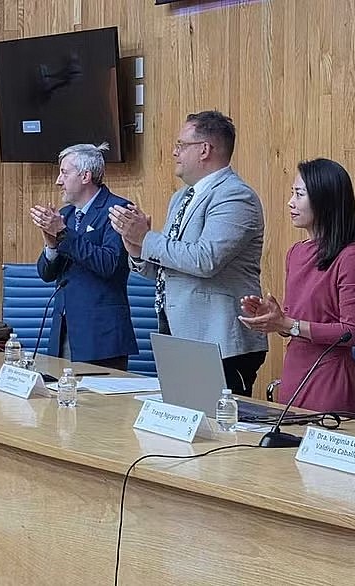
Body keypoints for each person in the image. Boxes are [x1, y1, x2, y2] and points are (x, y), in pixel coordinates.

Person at [108, 111, 267, 396]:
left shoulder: (235, 195)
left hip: (219, 339)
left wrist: (146, 239)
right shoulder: (181, 197)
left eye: (181, 145)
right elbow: (166, 266)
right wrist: (135, 247)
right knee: (183, 430)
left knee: (221, 433)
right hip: (180, 334)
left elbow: (205, 260)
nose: (174, 152)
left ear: (204, 149)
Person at [238, 158, 355, 415]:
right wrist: (273, 318)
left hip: (328, 380)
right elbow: (293, 325)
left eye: (299, 194)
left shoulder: (351, 257)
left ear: (325, 200)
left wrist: (288, 324)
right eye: (292, 193)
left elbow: (351, 332)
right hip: (294, 373)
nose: (290, 202)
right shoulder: (296, 253)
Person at [30, 143, 137, 371]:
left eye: (64, 173)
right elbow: (46, 274)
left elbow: (109, 264)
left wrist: (62, 234)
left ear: (85, 176)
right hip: (64, 331)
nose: (58, 181)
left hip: (102, 337)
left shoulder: (118, 210)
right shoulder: (66, 214)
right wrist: (51, 246)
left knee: (100, 406)